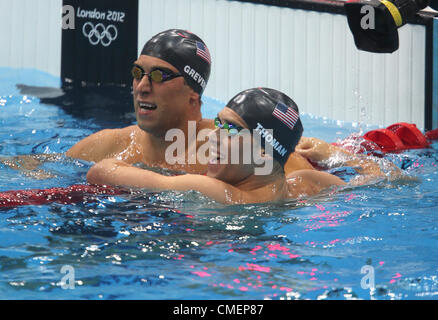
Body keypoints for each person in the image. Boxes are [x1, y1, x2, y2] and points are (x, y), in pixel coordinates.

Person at [87, 88, 346, 204]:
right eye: (218, 125)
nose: (213, 137)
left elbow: (99, 172)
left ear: (263, 153)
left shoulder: (216, 192)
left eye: (230, 130)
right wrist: (340, 155)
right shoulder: (308, 183)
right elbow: (378, 179)